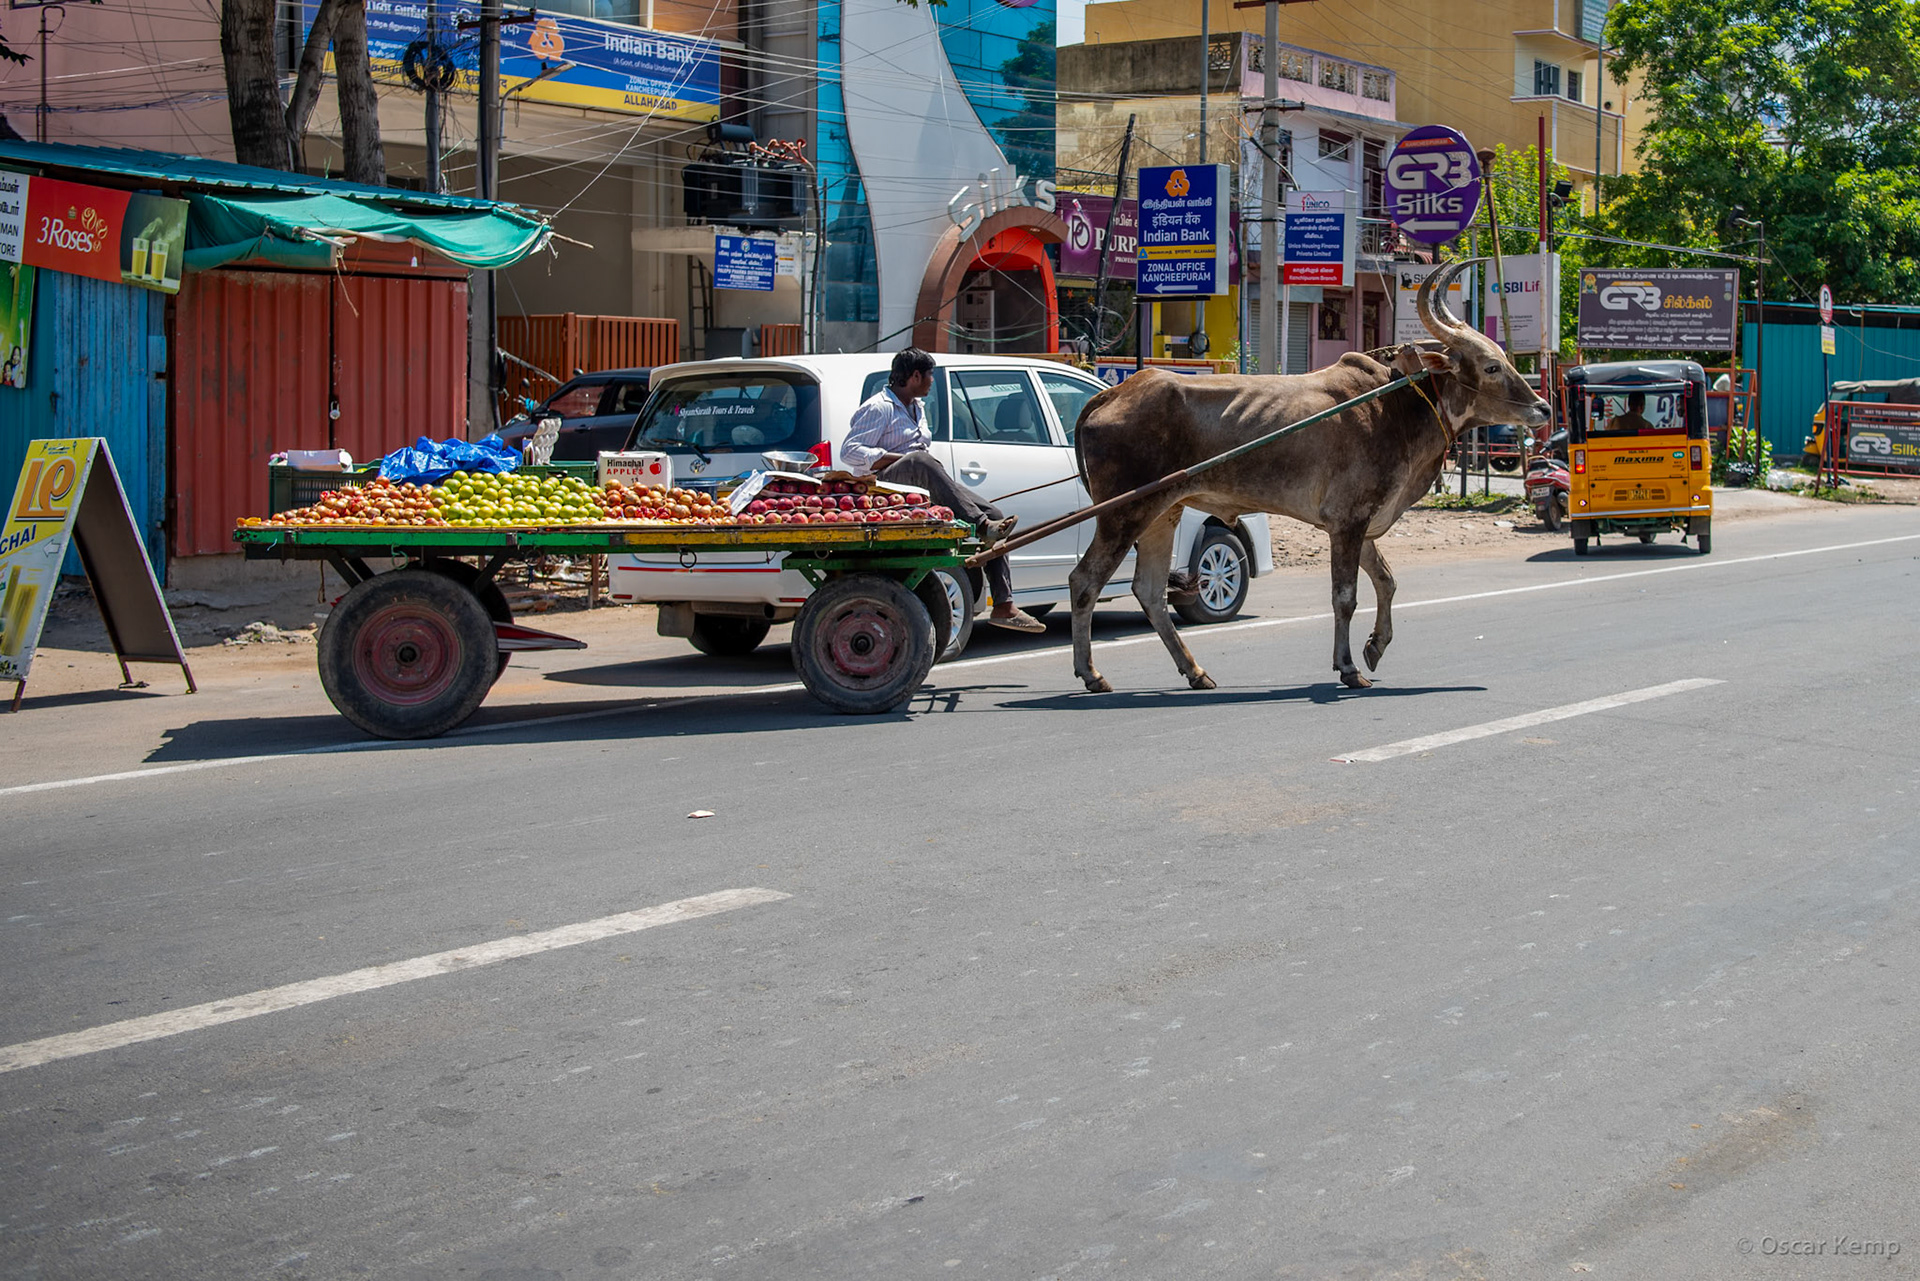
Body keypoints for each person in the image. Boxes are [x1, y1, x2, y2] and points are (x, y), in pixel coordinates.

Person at [842, 348, 1046, 633]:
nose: (931, 382)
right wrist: (896, 458)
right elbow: (850, 451)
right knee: (920, 459)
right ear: (914, 376)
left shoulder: (917, 407)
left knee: (995, 513)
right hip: (883, 486)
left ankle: (1004, 604)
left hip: (917, 484)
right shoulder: (879, 407)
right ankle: (982, 525)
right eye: (929, 376)